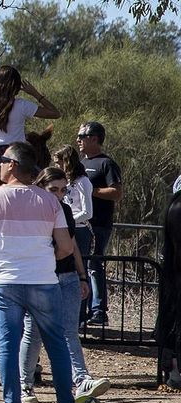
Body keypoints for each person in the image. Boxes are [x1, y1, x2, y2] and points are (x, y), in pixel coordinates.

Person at [0, 143, 82, 403]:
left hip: (6, 282)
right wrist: (45, 259)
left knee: (8, 346)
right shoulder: (49, 201)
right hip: (43, 280)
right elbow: (66, 246)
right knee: (56, 345)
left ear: (12, 164)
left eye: (3, 160)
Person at [19, 165, 112, 403]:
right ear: (40, 187)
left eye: (63, 190)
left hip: (67, 276)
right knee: (33, 332)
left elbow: (72, 246)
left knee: (69, 330)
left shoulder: (66, 210)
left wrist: (82, 276)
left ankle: (81, 380)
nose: (59, 195)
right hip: (39, 278)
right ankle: (25, 384)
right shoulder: (30, 211)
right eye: (54, 189)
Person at [0, 65, 61, 174]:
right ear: (16, 86)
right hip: (19, 156)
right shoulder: (22, 105)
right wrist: (34, 93)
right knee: (43, 181)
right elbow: (55, 113)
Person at [77, 121, 122, 326]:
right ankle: (82, 311)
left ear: (94, 139)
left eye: (82, 137)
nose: (78, 140)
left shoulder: (107, 164)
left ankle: (99, 311)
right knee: (82, 266)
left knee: (95, 265)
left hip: (99, 224)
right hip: (81, 224)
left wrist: (90, 191)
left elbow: (117, 192)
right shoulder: (80, 164)